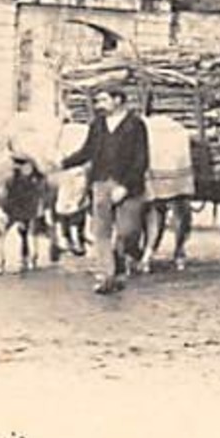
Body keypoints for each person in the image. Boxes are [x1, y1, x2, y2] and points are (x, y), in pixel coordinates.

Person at [59, 85, 149, 294]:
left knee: (127, 232)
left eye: (103, 100)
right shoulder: (97, 124)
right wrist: (62, 163)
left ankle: (119, 262)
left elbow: (141, 159)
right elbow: (87, 151)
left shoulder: (135, 125)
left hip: (128, 187)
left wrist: (125, 187)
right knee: (101, 232)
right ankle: (106, 276)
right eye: (98, 101)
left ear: (118, 100)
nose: (99, 105)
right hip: (100, 183)